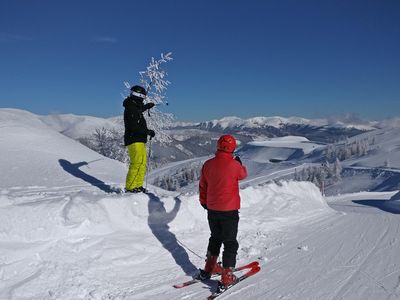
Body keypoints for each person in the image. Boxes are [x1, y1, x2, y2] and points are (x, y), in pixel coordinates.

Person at [198, 134, 248, 288]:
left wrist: (204, 202)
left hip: (212, 209)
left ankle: (210, 267)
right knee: (230, 242)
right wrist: (239, 163)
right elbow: (243, 175)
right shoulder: (234, 166)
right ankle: (227, 277)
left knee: (215, 237)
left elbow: (202, 186)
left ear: (218, 146)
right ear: (233, 148)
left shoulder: (208, 164)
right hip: (229, 210)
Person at [123, 85, 155, 193]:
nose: (144, 98)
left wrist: (147, 107)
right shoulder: (131, 107)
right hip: (134, 139)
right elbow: (133, 126)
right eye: (143, 96)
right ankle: (130, 187)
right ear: (139, 95)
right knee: (136, 163)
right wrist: (147, 131)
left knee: (142, 163)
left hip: (139, 139)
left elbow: (138, 110)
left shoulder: (133, 105)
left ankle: (138, 185)